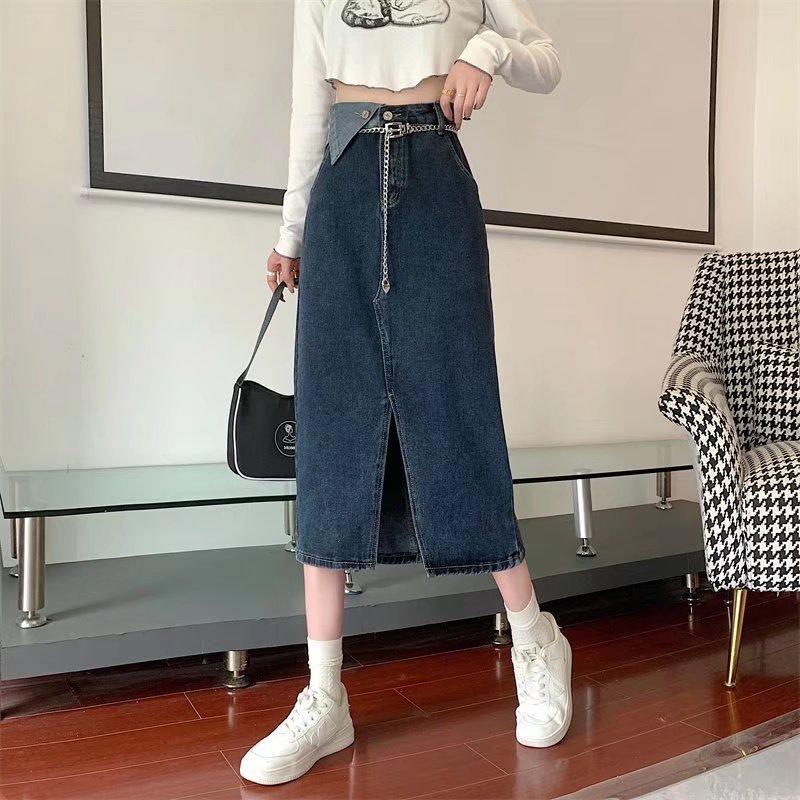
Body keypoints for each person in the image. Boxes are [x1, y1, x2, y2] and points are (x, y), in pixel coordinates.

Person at [240, 0, 570, 785]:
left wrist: (487, 51)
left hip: (435, 181)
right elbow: (309, 107)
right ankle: (325, 695)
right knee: (333, 427)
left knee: (456, 408)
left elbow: (547, 60)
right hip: (342, 187)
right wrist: (291, 233)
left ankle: (536, 640)